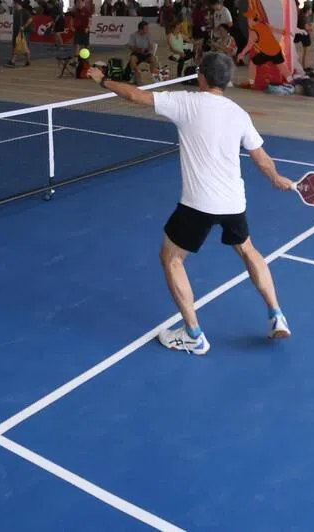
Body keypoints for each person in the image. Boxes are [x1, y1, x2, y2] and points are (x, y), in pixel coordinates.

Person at [88, 52, 293, 353]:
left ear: (202, 77)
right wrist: (276, 177)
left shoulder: (185, 103)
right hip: (233, 201)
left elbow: (135, 95)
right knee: (248, 249)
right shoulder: (239, 113)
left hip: (199, 204)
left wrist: (103, 79)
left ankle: (193, 334)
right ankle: (276, 314)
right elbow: (262, 159)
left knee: (171, 258)